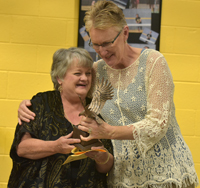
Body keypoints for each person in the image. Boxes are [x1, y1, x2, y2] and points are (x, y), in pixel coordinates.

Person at [17, 1, 199, 188]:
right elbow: (72, 97)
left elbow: (157, 124)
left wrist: (108, 132)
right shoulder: (97, 71)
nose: (102, 52)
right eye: (95, 45)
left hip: (164, 174)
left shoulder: (153, 62)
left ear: (125, 33)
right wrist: (29, 105)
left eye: (107, 43)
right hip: (122, 176)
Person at [8, 47, 113, 188]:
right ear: (60, 78)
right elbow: (22, 148)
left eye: (88, 74)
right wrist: (55, 146)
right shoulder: (42, 103)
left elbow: (106, 167)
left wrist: (101, 156)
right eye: (77, 73)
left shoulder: (97, 110)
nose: (84, 78)